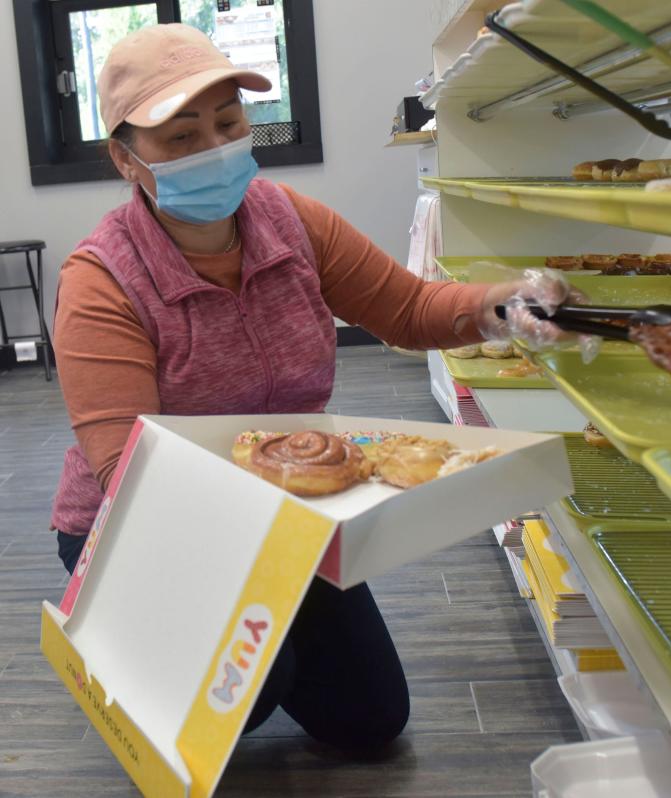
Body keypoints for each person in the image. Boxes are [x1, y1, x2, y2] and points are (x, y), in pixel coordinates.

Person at [50, 23, 572, 750]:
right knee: (245, 700)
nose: (213, 148)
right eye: (179, 137)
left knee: (369, 721)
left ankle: (254, 634)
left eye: (228, 124)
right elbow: (121, 467)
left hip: (284, 508)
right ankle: (133, 649)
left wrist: (504, 305)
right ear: (127, 158)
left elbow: (409, 309)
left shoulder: (291, 222)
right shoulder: (101, 280)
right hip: (143, 524)